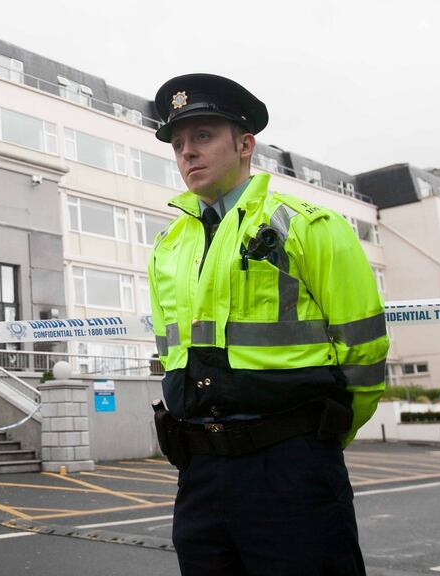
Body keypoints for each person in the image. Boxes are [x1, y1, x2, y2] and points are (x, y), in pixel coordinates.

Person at [147, 73, 389, 575]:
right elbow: (172, 354)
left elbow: (364, 354)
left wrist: (319, 439)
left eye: (204, 136)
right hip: (200, 472)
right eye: (178, 143)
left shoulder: (310, 227)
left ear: (245, 144)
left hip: (290, 467)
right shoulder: (169, 246)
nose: (187, 152)